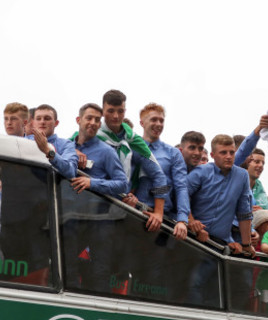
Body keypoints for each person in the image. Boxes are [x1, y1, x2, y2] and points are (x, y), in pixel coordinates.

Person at [64, 103, 129, 291]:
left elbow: (122, 184)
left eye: (97, 120)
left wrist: (92, 183)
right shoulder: (66, 146)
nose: (93, 123)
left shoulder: (106, 151)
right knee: (68, 268)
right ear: (79, 120)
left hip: (99, 221)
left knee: (99, 272)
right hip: (70, 218)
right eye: (89, 118)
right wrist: (72, 152)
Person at [96, 89, 168, 232]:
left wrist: (159, 213)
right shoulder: (91, 132)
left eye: (120, 111)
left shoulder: (134, 141)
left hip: (121, 209)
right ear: (102, 110)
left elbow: (159, 176)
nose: (116, 116)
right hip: (90, 200)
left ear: (125, 111)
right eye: (110, 111)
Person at [187, 134, 253, 251]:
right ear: (212, 155)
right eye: (223, 153)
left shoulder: (242, 176)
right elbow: (180, 195)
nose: (228, 156)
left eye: (232, 152)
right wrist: (191, 221)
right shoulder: (200, 172)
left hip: (221, 244)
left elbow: (244, 212)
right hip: (192, 238)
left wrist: (246, 244)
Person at [135, 103, 189, 240]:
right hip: (132, 212)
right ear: (142, 123)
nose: (158, 124)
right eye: (154, 120)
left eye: (161, 120)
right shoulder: (131, 148)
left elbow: (181, 187)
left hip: (163, 220)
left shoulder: (173, 153)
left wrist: (182, 220)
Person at [25, 104, 78, 179]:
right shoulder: (23, 140)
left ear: (56, 123)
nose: (42, 122)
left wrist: (48, 151)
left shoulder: (66, 145)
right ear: (33, 122)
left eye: (47, 118)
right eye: (38, 118)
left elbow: (71, 172)